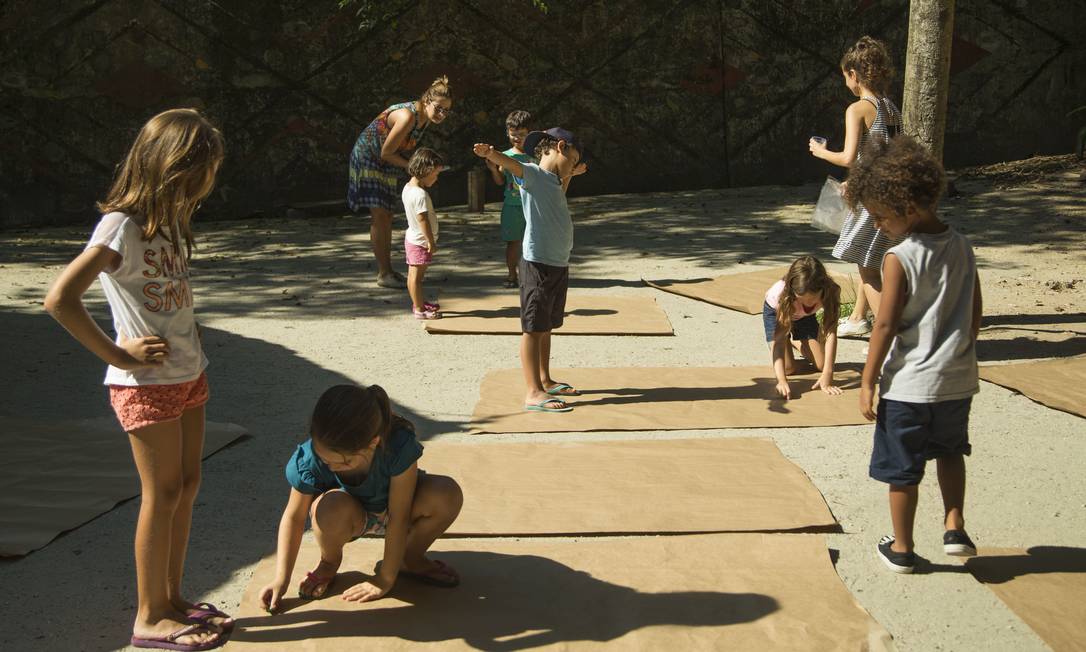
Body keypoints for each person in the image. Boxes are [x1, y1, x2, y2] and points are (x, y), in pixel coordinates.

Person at [44, 109, 230, 651]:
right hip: (144, 385)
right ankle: (149, 616)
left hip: (189, 374)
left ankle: (173, 599)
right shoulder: (121, 224)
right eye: (204, 169)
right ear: (175, 167)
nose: (208, 182)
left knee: (188, 487)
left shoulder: (169, 220)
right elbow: (60, 299)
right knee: (163, 492)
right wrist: (117, 355)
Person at [846, 136, 983, 574]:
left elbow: (883, 324)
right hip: (957, 379)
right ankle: (954, 526)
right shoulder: (962, 245)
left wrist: (868, 380)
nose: (879, 225)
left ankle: (901, 548)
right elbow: (976, 312)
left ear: (907, 207)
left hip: (909, 386)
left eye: (881, 217)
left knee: (900, 469)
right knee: (949, 452)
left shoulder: (898, 257)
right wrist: (960, 351)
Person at [259, 385, 463, 611]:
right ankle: (329, 562)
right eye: (326, 461)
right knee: (329, 508)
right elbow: (294, 518)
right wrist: (281, 579)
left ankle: (409, 558)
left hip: (396, 512)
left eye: (344, 462)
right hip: (351, 516)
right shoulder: (308, 459)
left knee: (447, 494)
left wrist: (385, 579)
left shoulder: (397, 444)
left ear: (373, 442)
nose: (333, 466)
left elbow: (399, 515)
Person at [472, 128, 587, 413]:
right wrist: (491, 154)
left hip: (557, 263)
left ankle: (545, 380)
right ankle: (533, 392)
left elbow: (556, 196)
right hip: (538, 264)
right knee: (533, 329)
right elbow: (513, 166)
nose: (573, 166)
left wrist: (571, 173)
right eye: (573, 160)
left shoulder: (552, 181)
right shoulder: (533, 174)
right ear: (561, 146)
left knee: (546, 326)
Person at [809, 36, 903, 338]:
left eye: (845, 77)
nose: (845, 83)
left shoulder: (857, 109)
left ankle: (890, 338)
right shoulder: (890, 107)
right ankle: (859, 318)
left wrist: (821, 153)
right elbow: (884, 153)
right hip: (893, 192)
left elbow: (849, 156)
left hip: (872, 199)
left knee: (867, 268)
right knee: (870, 259)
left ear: (853, 74)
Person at [348, 76, 452, 288]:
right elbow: (387, 152)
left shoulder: (424, 119)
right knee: (380, 215)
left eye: (447, 110)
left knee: (387, 214)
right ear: (426, 100)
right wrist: (413, 169)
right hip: (369, 158)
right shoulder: (407, 116)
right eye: (439, 108)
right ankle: (384, 273)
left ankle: (389, 271)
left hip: (384, 161)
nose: (442, 114)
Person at [763, 256, 842, 400]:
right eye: (801, 298)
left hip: (805, 317)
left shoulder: (832, 291)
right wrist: (781, 381)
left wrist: (827, 374)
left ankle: (794, 341)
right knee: (788, 369)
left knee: (822, 364)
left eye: (813, 299)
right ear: (792, 291)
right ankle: (789, 336)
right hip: (777, 314)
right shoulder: (781, 296)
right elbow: (779, 342)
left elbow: (831, 332)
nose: (808, 303)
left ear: (822, 289)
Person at [485, 110, 534, 288]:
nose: (517, 138)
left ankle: (530, 276)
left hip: (533, 207)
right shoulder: (503, 156)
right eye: (514, 135)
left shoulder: (537, 155)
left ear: (530, 133)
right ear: (508, 133)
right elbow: (499, 181)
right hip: (511, 206)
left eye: (522, 135)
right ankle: (512, 275)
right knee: (513, 243)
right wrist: (492, 168)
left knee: (533, 243)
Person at [402, 148, 446, 319]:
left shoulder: (408, 187)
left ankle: (418, 302)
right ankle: (419, 310)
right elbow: (423, 220)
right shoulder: (419, 194)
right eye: (435, 175)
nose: (436, 179)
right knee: (416, 277)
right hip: (420, 242)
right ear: (426, 171)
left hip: (414, 239)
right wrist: (431, 242)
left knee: (415, 275)